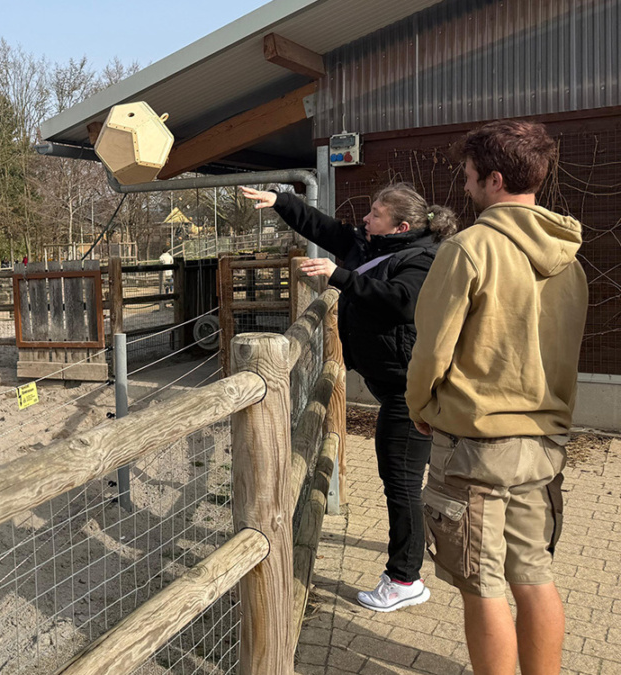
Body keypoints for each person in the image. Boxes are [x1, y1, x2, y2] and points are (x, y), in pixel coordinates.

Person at [406, 120, 586, 675]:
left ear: (495, 179)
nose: (463, 186)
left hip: (476, 445)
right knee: (533, 574)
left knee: (480, 585)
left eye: (467, 176)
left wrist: (420, 407)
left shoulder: (467, 249)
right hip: (543, 441)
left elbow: (431, 349)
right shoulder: (570, 258)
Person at [241, 183, 458, 611]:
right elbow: (324, 227)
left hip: (410, 391)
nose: (365, 219)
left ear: (402, 225)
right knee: (400, 480)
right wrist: (281, 201)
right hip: (393, 384)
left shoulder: (423, 259)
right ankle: (407, 567)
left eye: (375, 214)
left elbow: (400, 303)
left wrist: (338, 276)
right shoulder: (371, 244)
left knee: (401, 482)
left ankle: (404, 579)